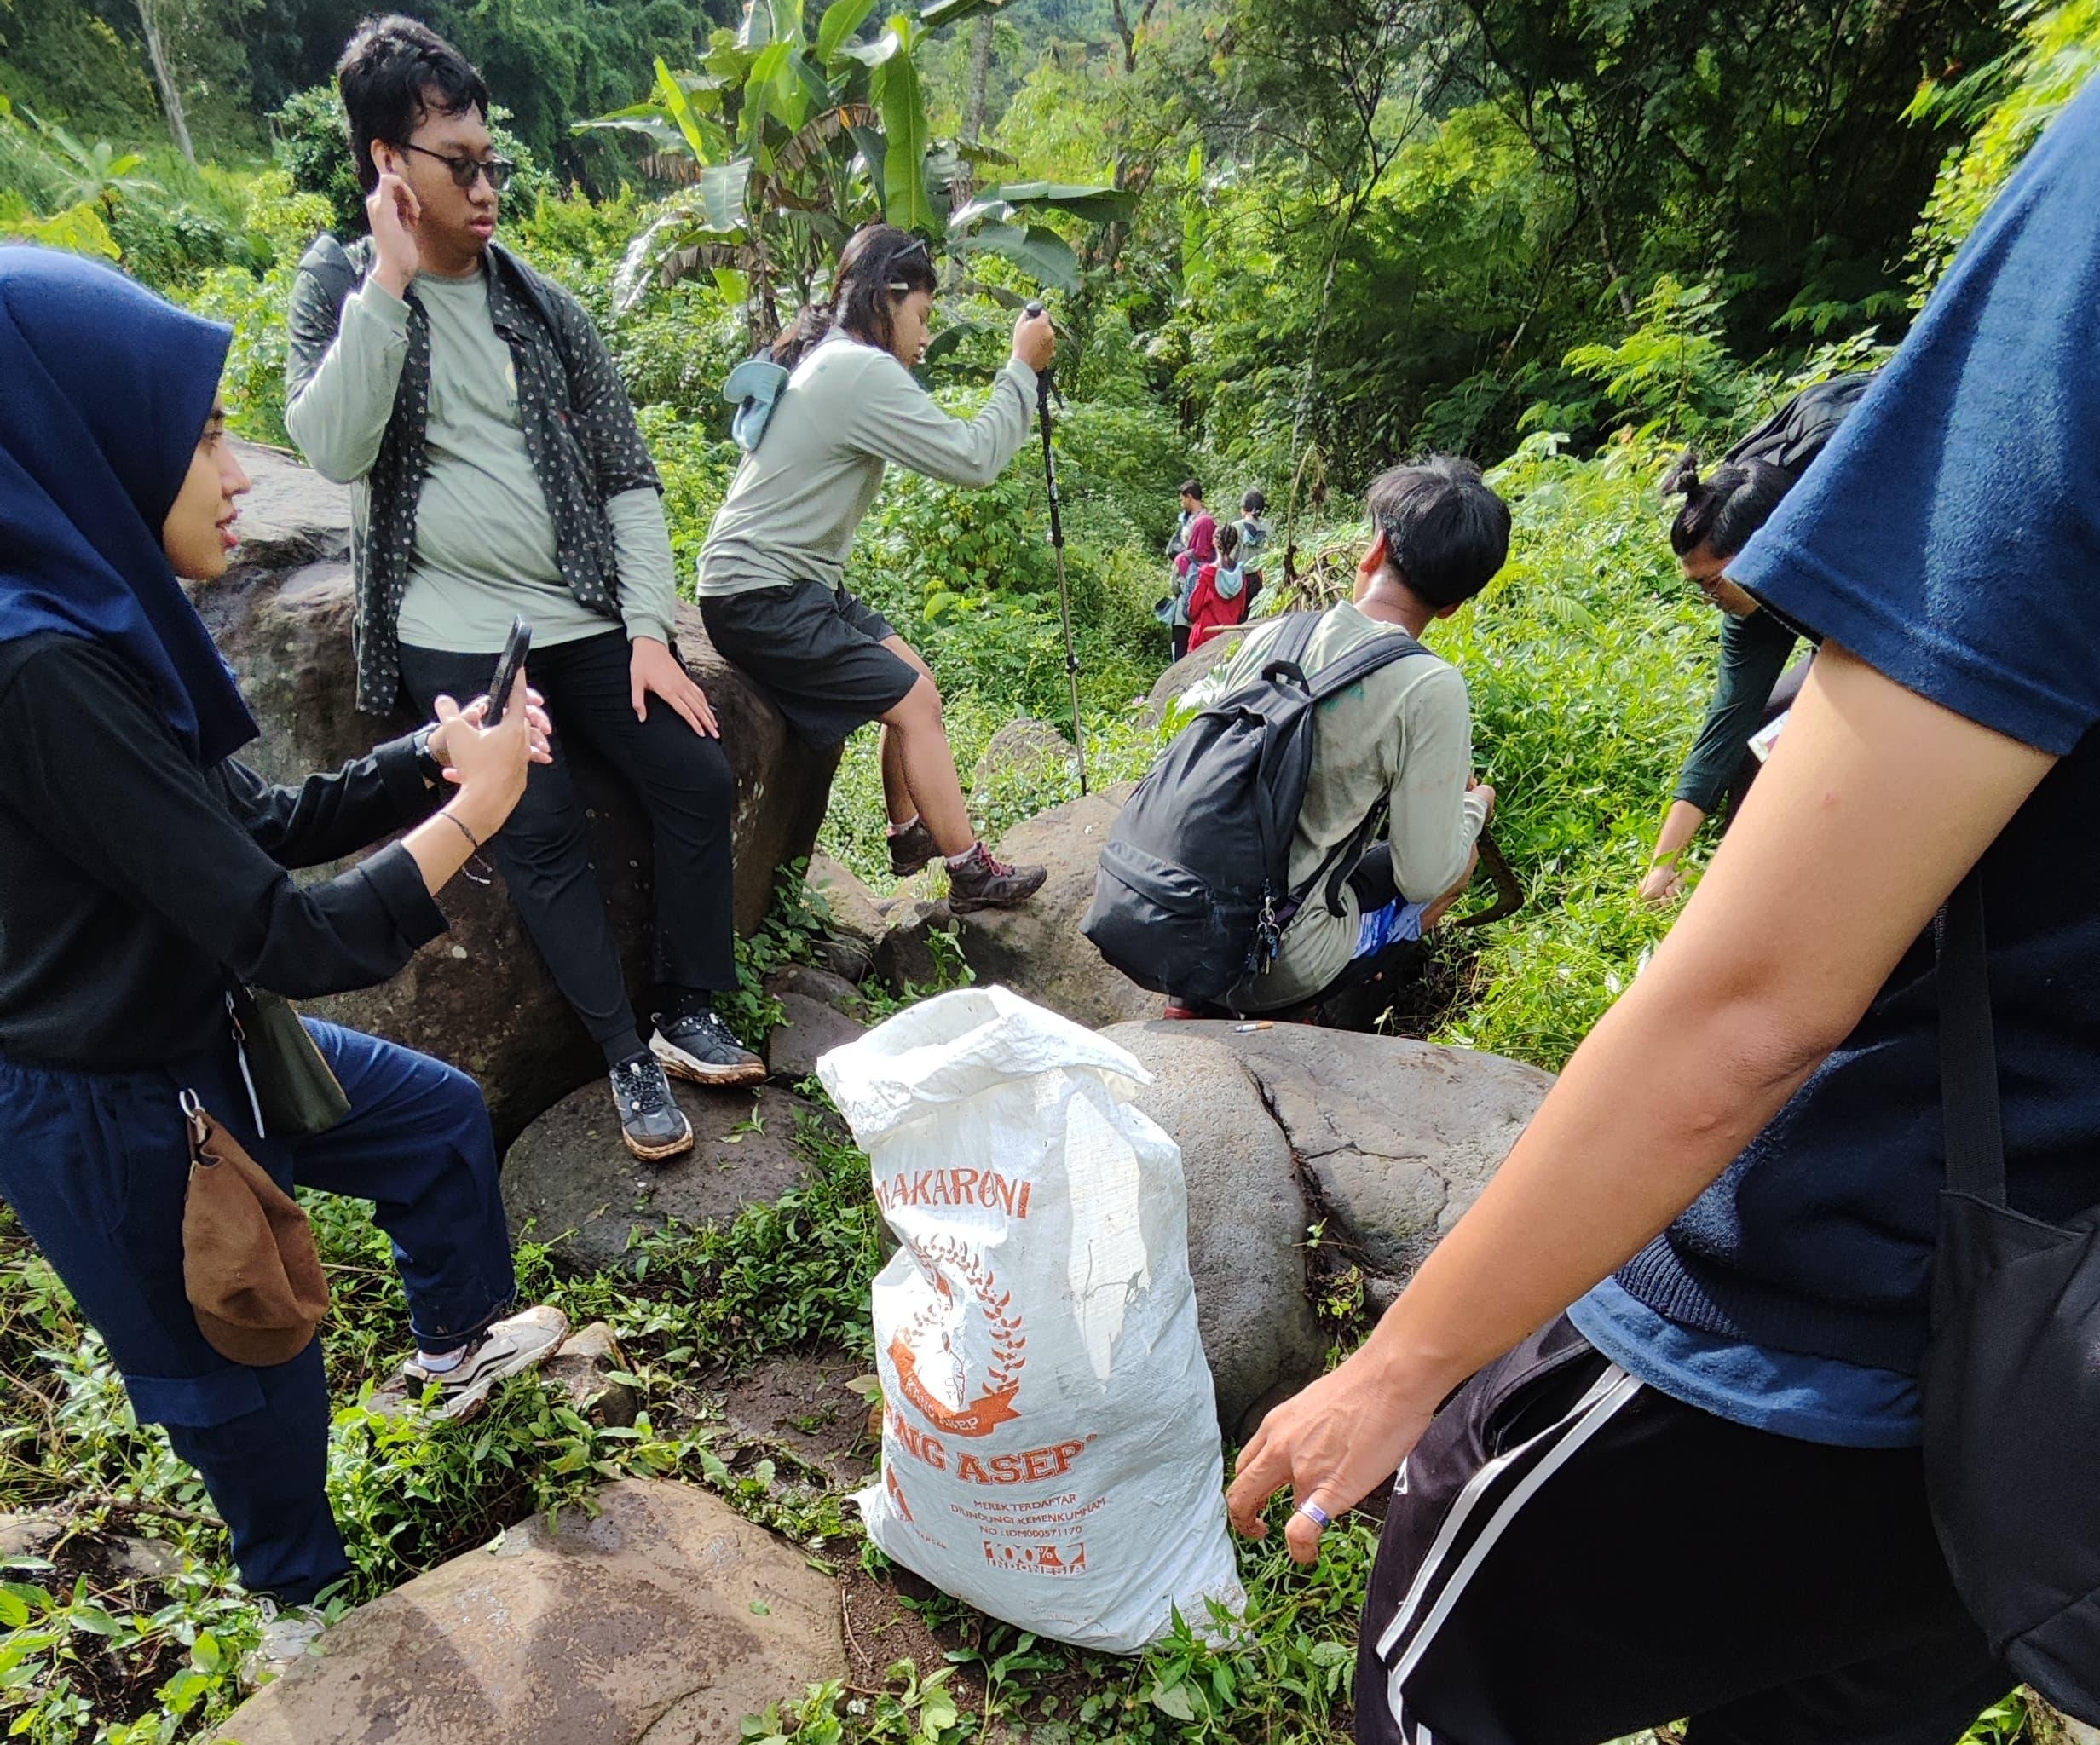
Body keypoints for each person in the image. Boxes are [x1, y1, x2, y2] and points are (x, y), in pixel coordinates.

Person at [1226, 76, 2100, 1745]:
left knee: (1437, 1673)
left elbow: (1752, 1008)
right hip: (2034, 1410)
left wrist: (1397, 1364)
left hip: (1810, 1314)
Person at [0, 247, 568, 1621]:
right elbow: (289, 937)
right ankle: (308, 1624)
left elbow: (243, 827)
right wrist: (476, 819)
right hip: (117, 1102)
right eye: (201, 436)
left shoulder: (94, 621)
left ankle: (454, 1360)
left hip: (207, 1043)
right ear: (90, 445)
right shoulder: (41, 670)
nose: (240, 470)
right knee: (249, 1370)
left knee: (431, 1124)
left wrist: (427, 764)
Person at [284, 16, 759, 1167]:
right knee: (536, 823)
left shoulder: (545, 308)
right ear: (389, 164)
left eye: (493, 160)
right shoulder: (341, 285)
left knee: (691, 771)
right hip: (452, 627)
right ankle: (625, 1058)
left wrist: (649, 632)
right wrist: (390, 282)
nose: (489, 184)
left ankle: (690, 1004)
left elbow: (630, 478)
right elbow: (333, 447)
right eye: (461, 163)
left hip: (584, 613)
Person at [696, 222, 1053, 912]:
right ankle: (971, 874)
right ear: (887, 300)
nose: (925, 337)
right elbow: (976, 460)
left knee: (917, 682)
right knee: (915, 705)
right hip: (761, 594)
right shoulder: (858, 370)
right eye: (921, 316)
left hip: (800, 584)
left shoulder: (835, 358)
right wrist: (1020, 368)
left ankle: (907, 832)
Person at [1169, 457, 1507, 1023]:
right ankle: (1299, 1007)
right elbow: (1424, 874)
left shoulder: (1279, 632)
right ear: (1451, 606)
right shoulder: (1430, 686)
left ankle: (1194, 1006)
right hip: (1277, 958)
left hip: (1181, 925)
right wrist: (1475, 809)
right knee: (1459, 860)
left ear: (1373, 550)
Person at [1636, 373, 1876, 903]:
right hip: (1843, 646)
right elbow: (1728, 722)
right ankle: (1739, 880)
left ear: (1767, 553)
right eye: (1697, 586)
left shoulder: (1844, 551)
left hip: (1898, 637)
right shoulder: (1747, 598)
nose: (1709, 597)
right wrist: (1662, 862)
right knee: (1764, 728)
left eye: (1713, 581)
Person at [1165, 480, 1218, 662]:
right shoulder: (1193, 521)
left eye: (1183, 499)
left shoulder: (1203, 524)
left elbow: (1177, 586)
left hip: (1188, 599)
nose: (1182, 503)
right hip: (1196, 603)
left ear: (1189, 498)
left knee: (1182, 647)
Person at [1186, 521, 1249, 651]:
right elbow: (1241, 609)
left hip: (1205, 635)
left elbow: (1193, 610)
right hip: (1229, 636)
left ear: (1216, 541)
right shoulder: (1240, 575)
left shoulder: (1207, 573)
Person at [1234, 487, 1272, 610]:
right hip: (1261, 577)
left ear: (1244, 508)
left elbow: (1231, 555)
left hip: (1240, 579)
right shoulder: (1268, 527)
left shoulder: (1236, 527)